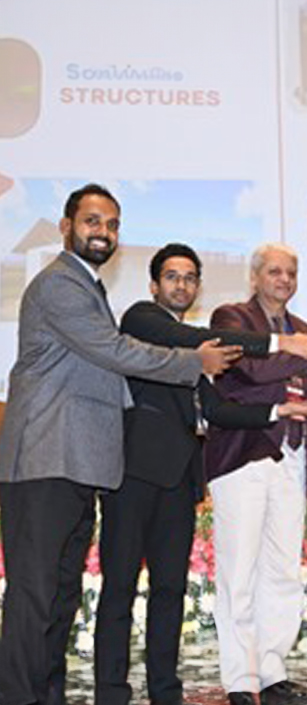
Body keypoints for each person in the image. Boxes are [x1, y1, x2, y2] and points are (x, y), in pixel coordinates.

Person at [0, 184, 242, 705]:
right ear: (66, 226)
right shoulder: (60, 283)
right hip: (45, 458)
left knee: (61, 595)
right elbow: (114, 352)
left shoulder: (87, 288)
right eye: (92, 221)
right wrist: (193, 362)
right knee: (35, 595)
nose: (103, 232)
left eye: (111, 224)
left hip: (77, 463)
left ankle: (47, 694)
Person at [94, 243, 307, 705]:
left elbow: (220, 410)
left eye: (190, 278)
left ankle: (166, 692)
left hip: (181, 476)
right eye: (172, 276)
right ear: (154, 285)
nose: (181, 285)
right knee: (120, 586)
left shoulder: (198, 351)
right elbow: (207, 343)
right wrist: (283, 344)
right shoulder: (143, 319)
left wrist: (282, 410)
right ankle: (111, 693)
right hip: (133, 474)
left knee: (170, 589)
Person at [205, 243, 307, 705]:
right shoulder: (231, 317)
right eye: (275, 272)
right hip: (244, 456)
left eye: (291, 273)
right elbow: (253, 370)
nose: (284, 280)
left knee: (282, 571)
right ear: (255, 277)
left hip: (294, 458)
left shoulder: (305, 330)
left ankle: (272, 673)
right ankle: (241, 680)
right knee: (239, 572)